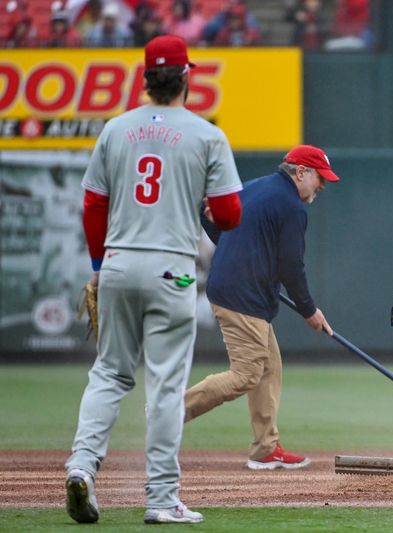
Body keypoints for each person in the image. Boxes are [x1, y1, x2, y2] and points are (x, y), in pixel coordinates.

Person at [64, 35, 243, 525]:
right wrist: (208, 203)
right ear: (188, 77)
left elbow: (93, 206)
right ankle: (162, 500)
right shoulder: (206, 134)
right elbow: (229, 215)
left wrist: (99, 269)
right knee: (165, 386)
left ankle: (81, 467)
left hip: (120, 263)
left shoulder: (116, 129)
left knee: (109, 372)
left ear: (145, 79)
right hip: (173, 271)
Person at [183, 144, 339, 471]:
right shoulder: (292, 207)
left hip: (238, 290)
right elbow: (291, 266)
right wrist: (309, 310)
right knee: (246, 374)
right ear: (300, 173)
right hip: (242, 296)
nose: (321, 186)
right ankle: (165, 417)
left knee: (269, 366)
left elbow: (210, 216)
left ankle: (265, 448)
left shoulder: (254, 188)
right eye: (319, 179)